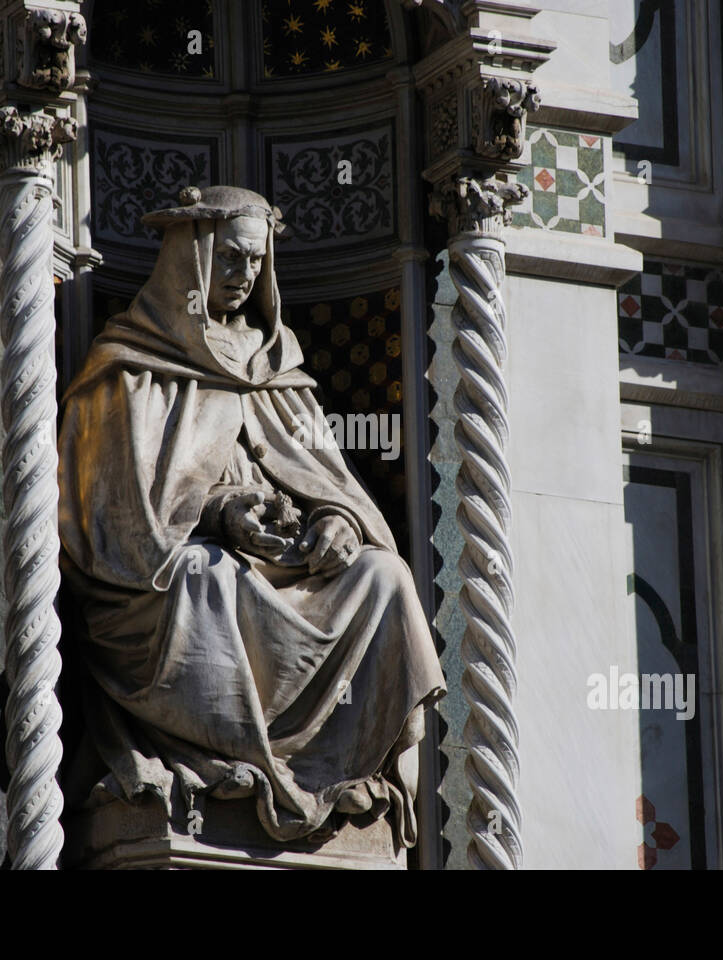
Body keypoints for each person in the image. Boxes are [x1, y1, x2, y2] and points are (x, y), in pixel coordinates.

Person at [58, 185, 446, 847]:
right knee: (208, 576)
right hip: (176, 568)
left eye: (257, 264)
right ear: (192, 258)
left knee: (386, 578)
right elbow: (116, 514)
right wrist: (221, 510)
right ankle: (230, 767)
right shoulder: (129, 366)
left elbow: (331, 478)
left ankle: (332, 771)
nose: (245, 277)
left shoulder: (277, 364)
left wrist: (337, 524)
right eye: (232, 259)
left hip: (286, 562)